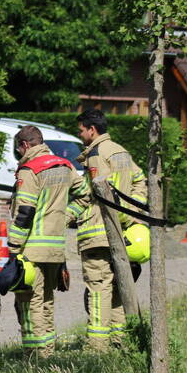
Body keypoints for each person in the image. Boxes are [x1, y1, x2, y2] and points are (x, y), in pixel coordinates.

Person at [68, 108, 147, 351]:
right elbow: (139, 181)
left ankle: (97, 346)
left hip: (97, 232)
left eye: (81, 130)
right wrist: (128, 215)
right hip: (120, 232)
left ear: (92, 130)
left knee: (98, 288)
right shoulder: (121, 151)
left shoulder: (97, 154)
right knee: (115, 289)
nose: (80, 135)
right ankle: (118, 341)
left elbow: (100, 191)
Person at [9, 125, 88, 358]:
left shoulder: (29, 170)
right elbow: (85, 194)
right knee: (46, 300)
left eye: (18, 150)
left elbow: (24, 214)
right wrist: (66, 216)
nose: (19, 154)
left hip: (32, 248)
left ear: (25, 146)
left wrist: (13, 249)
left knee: (28, 302)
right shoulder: (64, 165)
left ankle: (34, 357)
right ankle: (48, 351)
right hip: (55, 248)